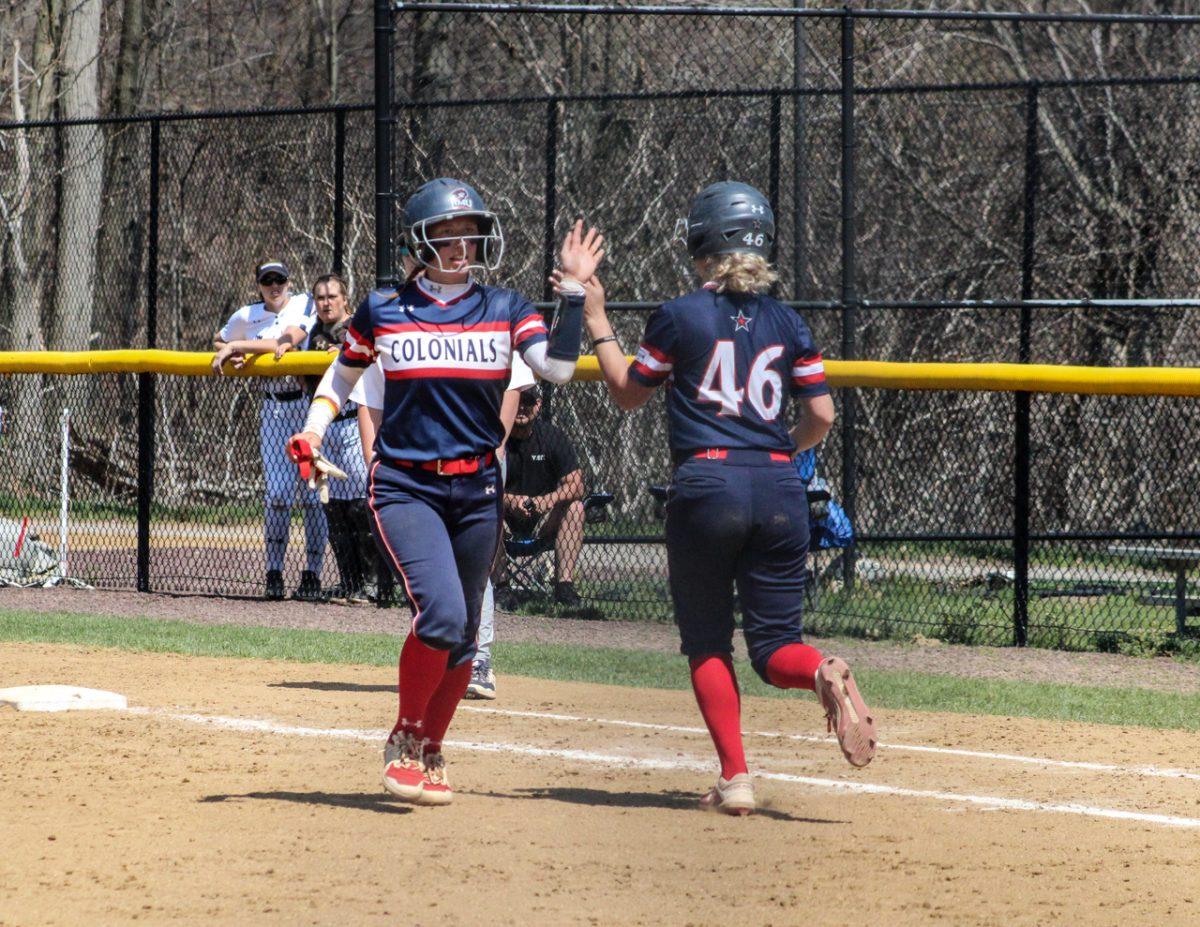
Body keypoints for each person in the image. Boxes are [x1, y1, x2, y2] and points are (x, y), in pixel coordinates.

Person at [288, 178, 602, 805]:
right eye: (447, 234)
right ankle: (405, 736)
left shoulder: (506, 306)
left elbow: (559, 368)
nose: (462, 245)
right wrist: (313, 431)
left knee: (460, 636)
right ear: (420, 240)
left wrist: (572, 294)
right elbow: (343, 375)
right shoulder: (384, 309)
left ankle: (433, 743)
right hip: (406, 485)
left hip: (479, 489)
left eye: (469, 233)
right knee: (444, 613)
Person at [573, 181, 876, 816]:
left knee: (709, 643)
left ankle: (736, 779)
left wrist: (596, 315)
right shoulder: (789, 321)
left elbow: (629, 392)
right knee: (774, 649)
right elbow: (820, 414)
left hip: (706, 486)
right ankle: (821, 667)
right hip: (777, 488)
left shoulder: (680, 314)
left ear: (701, 245)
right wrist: (778, 453)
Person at [213, 260, 326, 601]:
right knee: (278, 494)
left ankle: (311, 575)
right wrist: (228, 350)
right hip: (273, 407)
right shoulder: (247, 315)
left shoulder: (304, 302)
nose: (274, 286)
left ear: (289, 281)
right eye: (267, 281)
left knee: (312, 495)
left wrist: (239, 347)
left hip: (307, 406)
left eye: (279, 279)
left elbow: (290, 338)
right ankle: (274, 572)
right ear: (259, 285)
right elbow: (219, 339)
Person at [275, 273, 374, 604]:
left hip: (351, 422)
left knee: (361, 506)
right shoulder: (311, 333)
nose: (327, 302)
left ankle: (374, 582)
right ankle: (349, 581)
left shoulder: (356, 329)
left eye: (333, 296)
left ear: (345, 299)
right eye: (320, 297)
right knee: (334, 507)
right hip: (323, 428)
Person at [497, 384, 587, 607]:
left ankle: (564, 587)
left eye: (528, 402)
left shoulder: (552, 436)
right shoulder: (495, 438)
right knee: (486, 509)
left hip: (543, 520)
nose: (522, 407)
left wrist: (545, 501)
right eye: (517, 401)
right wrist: (510, 502)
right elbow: (479, 485)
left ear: (538, 406)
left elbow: (576, 485)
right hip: (503, 519)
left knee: (575, 507)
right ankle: (501, 587)